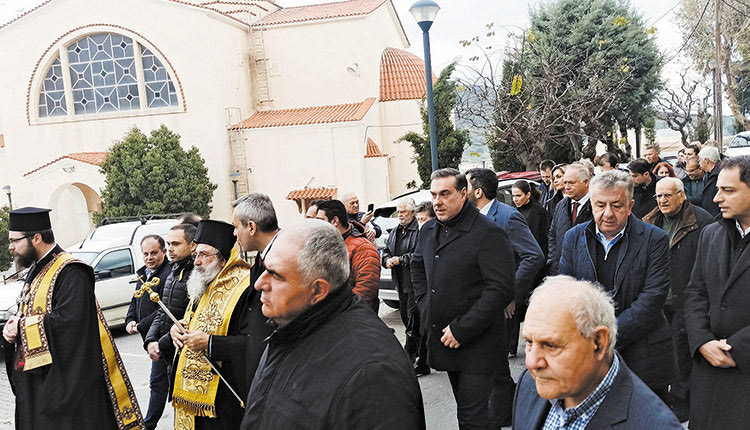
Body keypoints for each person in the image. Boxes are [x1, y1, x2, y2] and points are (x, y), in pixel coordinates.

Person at [241, 220, 426, 429]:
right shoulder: (290, 326)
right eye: (265, 269)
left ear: (318, 290)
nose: (259, 284)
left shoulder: (373, 374)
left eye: (276, 275)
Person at [2, 207, 143, 429]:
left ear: (36, 238)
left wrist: (22, 327)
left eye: (14, 241)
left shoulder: (71, 271)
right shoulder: (37, 270)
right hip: (40, 383)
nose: (11, 247)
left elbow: (71, 324)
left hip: (66, 388)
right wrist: (13, 328)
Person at [411, 168, 515, 429]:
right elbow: (417, 267)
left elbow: (501, 289)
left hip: (479, 344)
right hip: (444, 340)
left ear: (463, 193)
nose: (437, 201)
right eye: (434, 195)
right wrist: (426, 307)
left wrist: (462, 328)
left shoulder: (487, 232)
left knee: (473, 419)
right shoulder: (428, 230)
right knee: (469, 414)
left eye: (445, 194)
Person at [558, 170, 676, 399]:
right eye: (600, 205)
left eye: (617, 205)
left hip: (643, 355)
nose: (608, 213)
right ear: (591, 204)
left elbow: (653, 297)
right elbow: (566, 289)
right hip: (589, 354)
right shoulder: (573, 237)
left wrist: (607, 338)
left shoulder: (654, 239)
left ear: (630, 205)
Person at [513, 275, 683, 430]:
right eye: (529, 342)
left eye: (551, 346)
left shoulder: (655, 425)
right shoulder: (529, 384)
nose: (532, 363)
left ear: (598, 343)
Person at [465, 168, 544, 428]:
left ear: (477, 191)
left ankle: (510, 415)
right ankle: (512, 413)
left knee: (495, 367)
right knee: (493, 366)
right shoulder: (471, 218)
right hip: (480, 302)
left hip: (501, 303)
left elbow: (533, 256)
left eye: (465, 186)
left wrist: (510, 293)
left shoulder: (508, 217)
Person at [164, 220, 257, 429]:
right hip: (192, 400)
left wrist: (210, 343)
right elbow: (192, 320)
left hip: (226, 396)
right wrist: (176, 330)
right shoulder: (205, 280)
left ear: (223, 259)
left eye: (203, 255)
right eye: (196, 254)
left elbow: (253, 343)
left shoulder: (245, 286)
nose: (196, 262)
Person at [684, 156, 750, 429]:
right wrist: (701, 341)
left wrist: (738, 349)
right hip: (709, 376)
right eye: (718, 189)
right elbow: (694, 293)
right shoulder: (711, 234)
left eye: (729, 190)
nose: (716, 198)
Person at [642, 177, 713, 421]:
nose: (661, 200)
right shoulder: (650, 220)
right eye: (658, 196)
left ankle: (683, 401)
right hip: (658, 298)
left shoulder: (701, 220)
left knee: (682, 350)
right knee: (661, 351)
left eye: (667, 196)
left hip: (686, 295)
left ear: (681, 196)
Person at [125, 234, 172, 430]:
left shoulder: (169, 274)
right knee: (161, 383)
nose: (150, 257)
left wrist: (141, 325)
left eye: (154, 253)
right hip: (151, 339)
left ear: (163, 252)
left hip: (165, 338)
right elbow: (135, 301)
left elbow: (165, 308)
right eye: (146, 253)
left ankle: (149, 424)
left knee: (158, 382)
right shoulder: (143, 273)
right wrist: (130, 319)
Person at [381, 198, 428, 375]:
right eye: (398, 212)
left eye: (403, 212)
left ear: (412, 212)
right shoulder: (396, 231)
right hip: (400, 283)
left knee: (414, 323)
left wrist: (400, 259)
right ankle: (419, 358)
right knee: (407, 320)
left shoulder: (419, 230)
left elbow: (418, 255)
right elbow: (386, 250)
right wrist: (386, 260)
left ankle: (415, 360)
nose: (399, 215)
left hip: (415, 283)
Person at [144, 224, 196, 367]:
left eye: (176, 244)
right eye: (168, 244)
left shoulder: (196, 275)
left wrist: (161, 344)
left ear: (192, 245)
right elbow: (163, 310)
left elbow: (190, 320)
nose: (170, 249)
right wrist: (150, 339)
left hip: (185, 351)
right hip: (168, 351)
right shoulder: (173, 272)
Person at [316, 199, 380, 311]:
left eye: (320, 221)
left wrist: (333, 312)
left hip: (354, 319)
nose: (317, 226)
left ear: (335, 221)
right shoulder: (324, 245)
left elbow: (365, 292)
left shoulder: (364, 248)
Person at [547, 163, 592, 275]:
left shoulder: (597, 205)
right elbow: (553, 235)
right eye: (565, 182)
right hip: (562, 271)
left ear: (586, 182)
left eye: (572, 183)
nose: (567, 187)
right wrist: (554, 263)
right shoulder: (560, 205)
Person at [512, 180, 551, 256]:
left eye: (518, 195)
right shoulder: (514, 212)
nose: (515, 199)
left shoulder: (540, 212)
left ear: (528, 195)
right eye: (513, 196)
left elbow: (547, 238)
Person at [690, 146, 722, 216]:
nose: (699, 163)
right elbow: (704, 195)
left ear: (706, 161)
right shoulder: (707, 174)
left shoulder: (721, 173)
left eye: (700, 160)